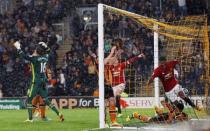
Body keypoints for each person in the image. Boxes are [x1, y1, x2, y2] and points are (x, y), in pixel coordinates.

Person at [13, 41, 64, 122]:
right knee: (46, 100)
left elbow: (23, 56)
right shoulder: (45, 57)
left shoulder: (34, 59)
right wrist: (45, 46)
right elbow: (49, 52)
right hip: (43, 81)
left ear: (36, 51)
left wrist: (18, 47)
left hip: (35, 82)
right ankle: (59, 114)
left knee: (29, 99)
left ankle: (30, 119)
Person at [107, 50, 145, 117]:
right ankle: (119, 112)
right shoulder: (111, 67)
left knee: (118, 94)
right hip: (114, 86)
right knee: (116, 100)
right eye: (113, 60)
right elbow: (108, 61)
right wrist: (114, 53)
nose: (114, 61)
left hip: (121, 84)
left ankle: (123, 94)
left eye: (115, 60)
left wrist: (138, 56)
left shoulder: (121, 65)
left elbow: (130, 61)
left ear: (117, 61)